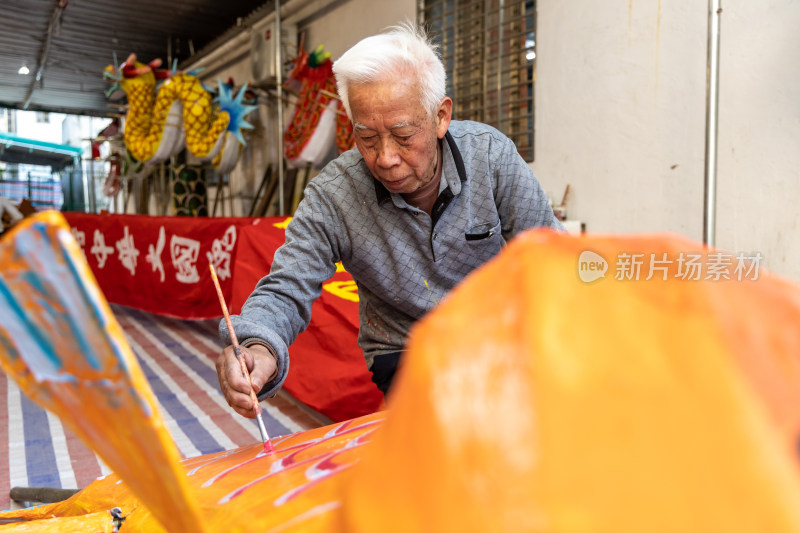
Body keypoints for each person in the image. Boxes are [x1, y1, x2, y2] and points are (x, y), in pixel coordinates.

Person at [217, 22, 563, 418]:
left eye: (402, 136)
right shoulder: (333, 195)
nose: (384, 157)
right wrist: (258, 347)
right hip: (406, 352)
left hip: (499, 338)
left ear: (440, 117)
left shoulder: (491, 158)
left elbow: (550, 255)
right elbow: (286, 288)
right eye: (366, 138)